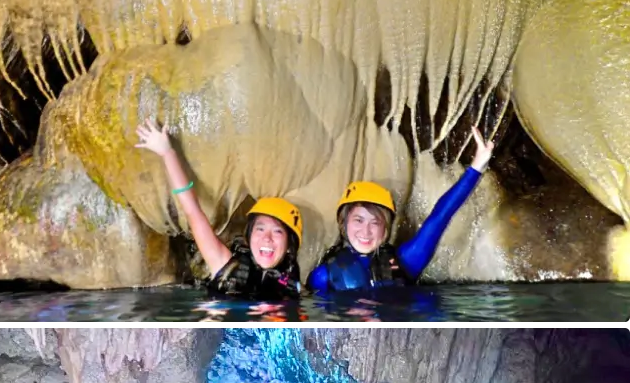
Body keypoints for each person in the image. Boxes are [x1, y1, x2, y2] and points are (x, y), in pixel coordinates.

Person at [308, 126, 494, 295]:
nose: (366, 231)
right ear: (344, 223)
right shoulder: (323, 276)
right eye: (358, 220)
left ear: (386, 229)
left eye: (375, 222)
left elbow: (440, 216)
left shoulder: (407, 261)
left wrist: (476, 168)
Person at [135, 119, 303, 302]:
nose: (267, 238)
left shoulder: (291, 286)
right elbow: (192, 211)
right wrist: (167, 152)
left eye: (277, 231)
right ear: (249, 236)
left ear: (289, 246)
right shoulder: (224, 264)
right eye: (260, 229)